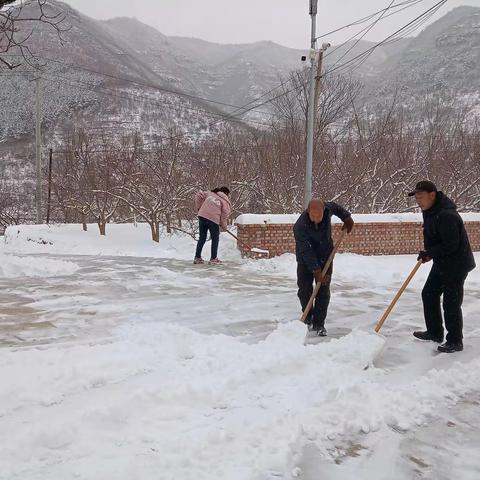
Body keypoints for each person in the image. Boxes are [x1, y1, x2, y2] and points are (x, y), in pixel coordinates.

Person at [409, 180, 476, 353]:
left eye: (420, 196)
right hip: (442, 261)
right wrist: (428, 252)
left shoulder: (447, 215)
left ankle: (455, 341)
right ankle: (434, 332)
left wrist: (430, 253)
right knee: (429, 294)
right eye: (416, 196)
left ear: (432, 195)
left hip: (457, 264)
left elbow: (451, 244)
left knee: (451, 303)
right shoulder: (430, 210)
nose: (418, 200)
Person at [293, 198, 354, 336]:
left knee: (323, 290)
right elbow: (306, 250)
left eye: (318, 216)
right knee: (304, 289)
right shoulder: (300, 226)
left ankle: (319, 323)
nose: (315, 219)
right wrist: (316, 270)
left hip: (326, 255)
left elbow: (338, 209)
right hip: (305, 259)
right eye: (312, 216)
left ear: (324, 212)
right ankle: (307, 317)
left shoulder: (328, 209)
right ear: (308, 212)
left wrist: (347, 218)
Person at [194, 186, 232, 265]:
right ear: (226, 193)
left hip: (202, 216)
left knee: (202, 238)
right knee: (215, 239)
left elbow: (198, 195)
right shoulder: (225, 201)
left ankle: (197, 258)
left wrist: (199, 208)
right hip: (213, 219)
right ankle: (213, 258)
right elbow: (224, 216)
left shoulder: (210, 194)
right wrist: (224, 227)